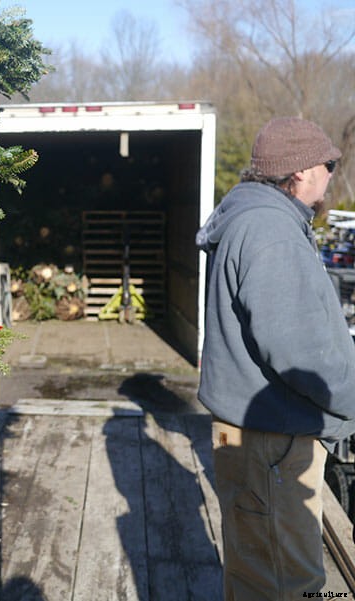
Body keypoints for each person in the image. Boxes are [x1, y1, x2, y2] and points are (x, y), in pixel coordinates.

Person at [195, 116, 355, 600]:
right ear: (302, 170)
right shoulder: (272, 230)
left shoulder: (255, 218)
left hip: (251, 432)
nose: (333, 174)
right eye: (330, 164)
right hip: (271, 439)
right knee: (289, 581)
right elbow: (295, 347)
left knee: (256, 569)